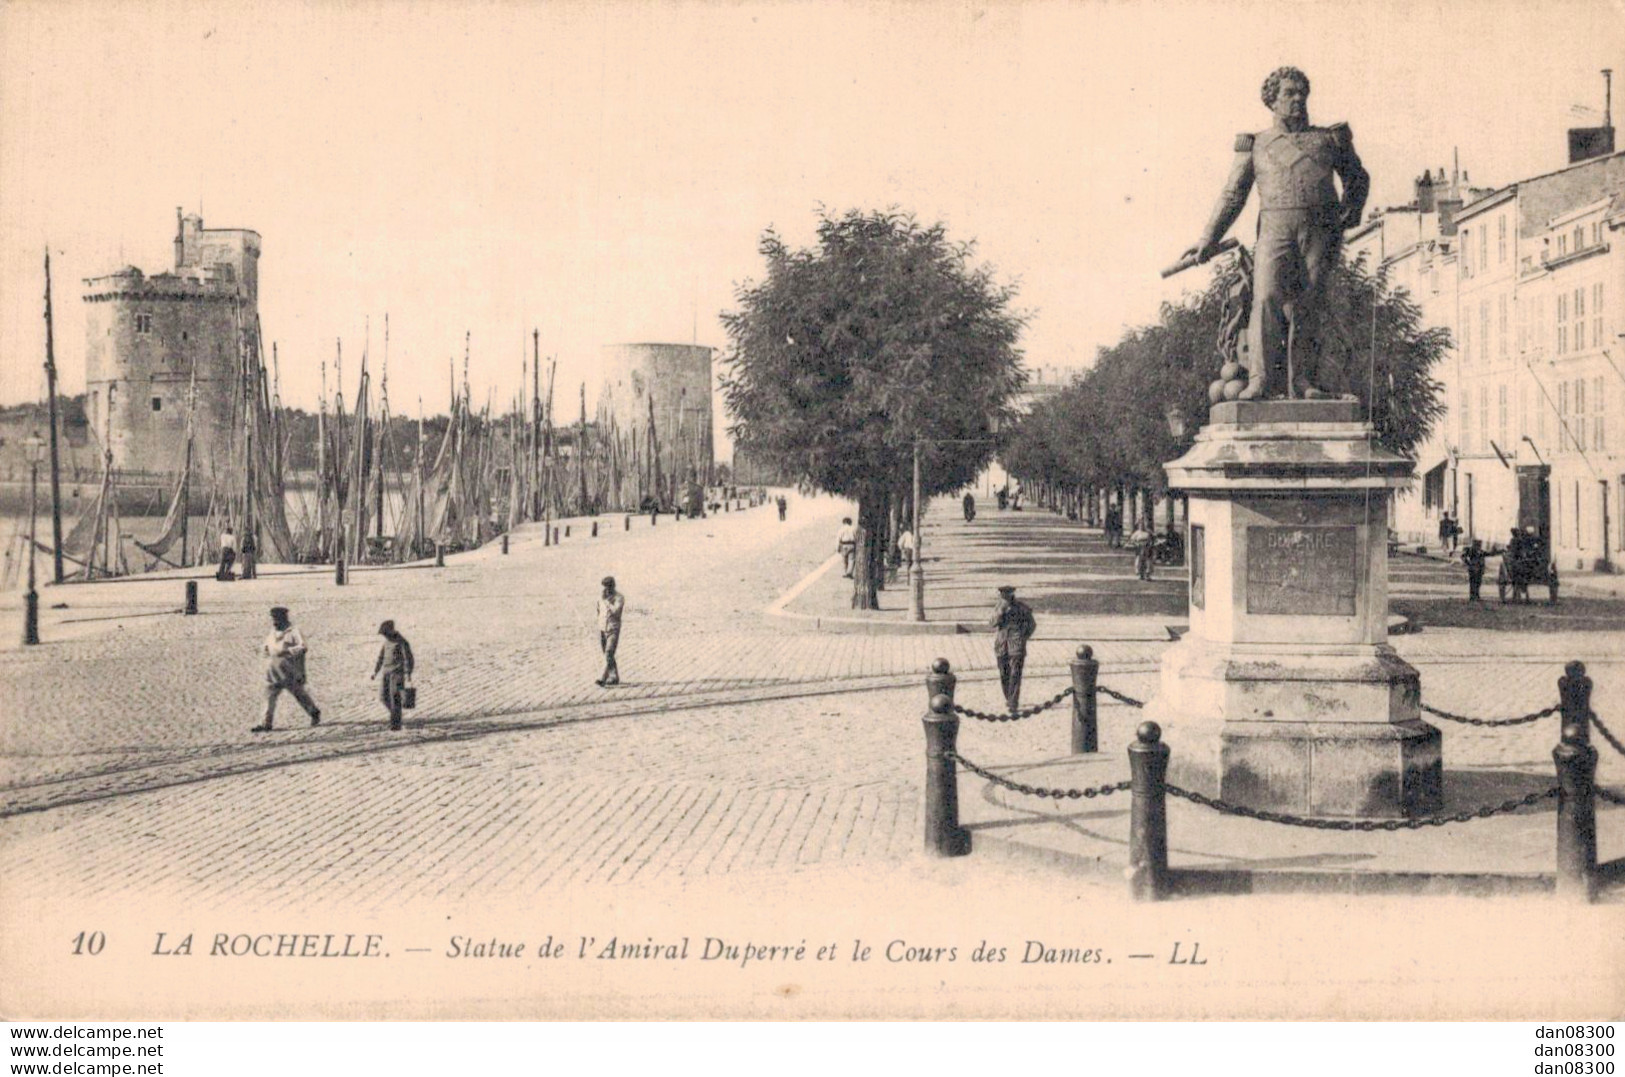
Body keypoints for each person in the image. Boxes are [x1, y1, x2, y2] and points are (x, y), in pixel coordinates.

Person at [1182, 67, 1369, 399]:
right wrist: (1208, 239)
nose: (1297, 99)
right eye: (1288, 93)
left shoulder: (1329, 139)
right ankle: (1261, 379)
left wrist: (1348, 213)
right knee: (1265, 297)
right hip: (1274, 228)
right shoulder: (1256, 145)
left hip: (1319, 230)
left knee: (1308, 302)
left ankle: (1303, 381)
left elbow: (1357, 177)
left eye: (1301, 93)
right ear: (1272, 100)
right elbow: (1233, 194)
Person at [252, 606, 321, 732]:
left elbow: (303, 647)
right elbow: (266, 647)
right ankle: (265, 723)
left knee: (299, 694)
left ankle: (313, 712)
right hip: (273, 669)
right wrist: (264, 650)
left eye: (276, 618)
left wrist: (287, 651)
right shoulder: (272, 632)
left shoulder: (293, 631)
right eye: (273, 618)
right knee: (269, 696)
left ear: (284, 618)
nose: (274, 621)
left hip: (289, 670)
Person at [989, 585, 1037, 713]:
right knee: (1004, 673)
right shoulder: (998, 607)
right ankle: (1009, 697)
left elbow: (1032, 624)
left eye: (1007, 595)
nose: (1004, 597)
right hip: (1002, 645)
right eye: (1002, 595)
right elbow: (992, 623)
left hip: (1016, 644)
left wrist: (1024, 636)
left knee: (1015, 673)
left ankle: (1013, 702)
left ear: (1012, 594)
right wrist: (1000, 612)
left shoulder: (1021, 608)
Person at [371, 620, 415, 731]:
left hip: (397, 674)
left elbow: (408, 659)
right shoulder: (386, 643)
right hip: (386, 673)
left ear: (391, 631)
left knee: (395, 698)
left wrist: (408, 673)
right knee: (383, 697)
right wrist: (375, 671)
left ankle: (396, 724)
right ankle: (395, 715)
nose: (384, 636)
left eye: (385, 633)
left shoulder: (402, 642)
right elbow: (380, 658)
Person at [596, 576, 625, 687]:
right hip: (602, 628)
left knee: (609, 652)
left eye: (608, 587)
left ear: (613, 587)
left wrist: (608, 602)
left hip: (613, 629)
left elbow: (616, 611)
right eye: (604, 587)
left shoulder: (619, 598)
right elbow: (598, 611)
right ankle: (614, 676)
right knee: (608, 654)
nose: (606, 590)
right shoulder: (600, 598)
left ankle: (602, 678)